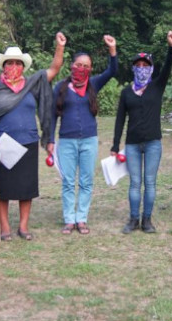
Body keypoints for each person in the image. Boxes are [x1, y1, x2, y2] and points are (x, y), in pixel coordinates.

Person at [0, 33, 67, 241]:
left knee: (26, 189)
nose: (13, 67)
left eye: (17, 63)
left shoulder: (32, 84)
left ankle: (23, 227)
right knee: (3, 189)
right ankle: (5, 228)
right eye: (9, 63)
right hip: (3, 145)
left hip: (28, 142)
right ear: (3, 66)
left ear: (23, 66)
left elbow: (54, 69)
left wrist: (60, 46)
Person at [48, 35, 118, 235]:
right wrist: (51, 140)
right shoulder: (60, 87)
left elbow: (112, 70)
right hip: (67, 141)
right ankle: (69, 219)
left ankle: (82, 219)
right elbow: (52, 115)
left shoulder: (93, 84)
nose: (82, 68)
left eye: (86, 66)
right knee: (68, 181)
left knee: (86, 181)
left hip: (89, 140)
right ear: (71, 65)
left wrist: (112, 49)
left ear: (90, 68)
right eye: (79, 64)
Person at [112, 31, 172, 234]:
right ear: (133, 68)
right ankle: (133, 219)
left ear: (151, 68)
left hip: (153, 143)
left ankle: (147, 220)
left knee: (149, 183)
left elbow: (167, 67)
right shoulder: (126, 92)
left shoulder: (157, 86)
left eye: (146, 65)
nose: (142, 68)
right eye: (138, 65)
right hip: (132, 144)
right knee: (135, 183)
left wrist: (171, 48)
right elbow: (120, 120)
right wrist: (115, 145)